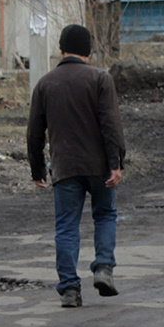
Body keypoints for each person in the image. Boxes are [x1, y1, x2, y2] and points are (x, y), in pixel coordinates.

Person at [27, 24, 126, 308]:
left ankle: (70, 289)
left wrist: (38, 170)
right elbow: (111, 125)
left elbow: (34, 132)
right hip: (100, 167)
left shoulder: (45, 84)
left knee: (66, 227)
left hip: (65, 168)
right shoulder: (100, 79)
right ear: (88, 51)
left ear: (60, 50)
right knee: (105, 215)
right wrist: (116, 162)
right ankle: (104, 269)